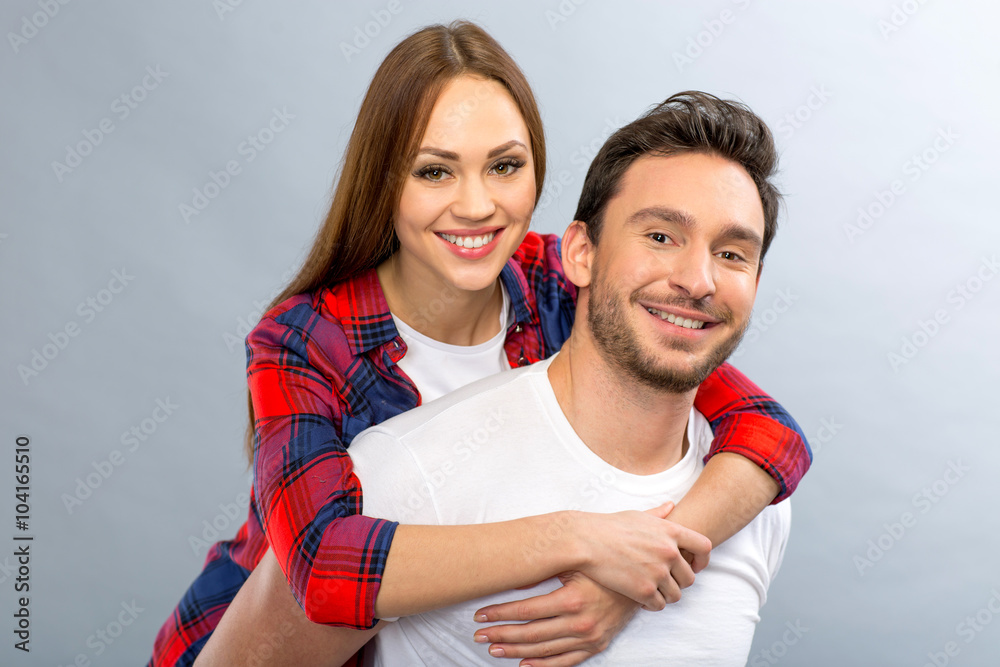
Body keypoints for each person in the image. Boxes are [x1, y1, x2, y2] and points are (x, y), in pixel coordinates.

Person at [150, 22, 810, 667]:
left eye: (504, 166)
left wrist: (632, 577)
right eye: (435, 172)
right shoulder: (303, 343)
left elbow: (769, 431)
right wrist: (577, 540)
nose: (476, 205)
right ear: (385, 182)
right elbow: (323, 571)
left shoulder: (559, 276)